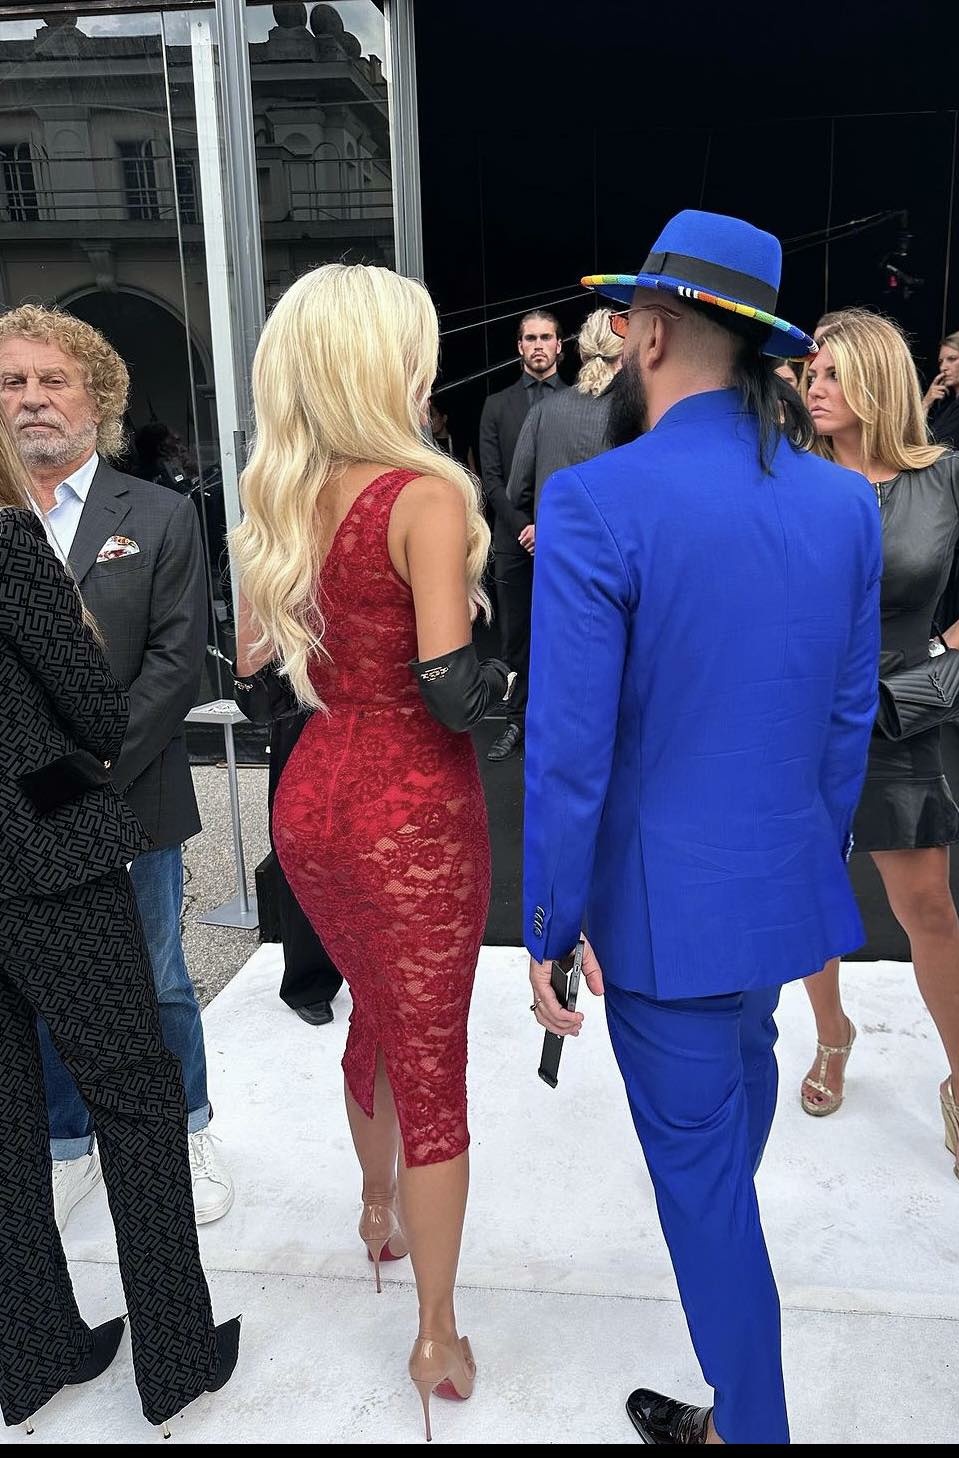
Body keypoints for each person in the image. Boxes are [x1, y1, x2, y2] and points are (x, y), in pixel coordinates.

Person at [524, 209, 882, 1445]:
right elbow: (844, 721)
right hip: (769, 893)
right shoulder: (841, 505)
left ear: (652, 333)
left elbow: (568, 751)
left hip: (661, 917)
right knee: (729, 1126)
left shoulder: (595, 499)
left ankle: (749, 1428)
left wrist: (548, 924)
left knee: (706, 1199)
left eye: (629, 325)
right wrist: (796, 860)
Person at [231, 262, 511, 1441]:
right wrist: (522, 695)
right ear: (381, 360)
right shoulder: (422, 494)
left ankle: (373, 1208)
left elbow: (254, 666)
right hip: (412, 811)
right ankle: (436, 1330)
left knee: (374, 1016)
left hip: (313, 800)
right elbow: (449, 689)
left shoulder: (278, 494)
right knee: (430, 1050)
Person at [0, 413, 239, 1436]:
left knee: (5, 1117)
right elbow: (98, 713)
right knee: (138, 1101)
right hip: (49, 855)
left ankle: (32, 1354)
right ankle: (175, 1361)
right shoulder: (11, 542)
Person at [797, 308, 959, 1196]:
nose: (813, 388)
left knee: (927, 905)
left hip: (899, 713)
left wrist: (945, 648)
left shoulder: (944, 478)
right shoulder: (789, 473)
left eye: (831, 374)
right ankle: (831, 1035)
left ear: (875, 381)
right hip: (799, 716)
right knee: (809, 888)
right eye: (809, 374)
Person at [232, 664, 344, 1026]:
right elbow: (262, 703)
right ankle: (309, 979)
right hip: (304, 706)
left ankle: (385, 969)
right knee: (302, 851)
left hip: (380, 711)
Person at [478, 309, 565, 761]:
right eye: (530, 338)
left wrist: (549, 527)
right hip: (514, 542)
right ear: (519, 347)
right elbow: (490, 480)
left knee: (563, 633)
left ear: (560, 345)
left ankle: (555, 724)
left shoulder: (578, 403)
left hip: (564, 541)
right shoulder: (497, 406)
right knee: (515, 636)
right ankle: (515, 721)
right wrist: (524, 528)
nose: (538, 345)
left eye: (546, 337)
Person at [506, 306, 621, 533]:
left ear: (582, 353)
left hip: (554, 543)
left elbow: (515, 492)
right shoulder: (637, 413)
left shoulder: (541, 410)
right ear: (624, 354)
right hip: (611, 545)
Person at [922, 330, 959, 452]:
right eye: (941, 361)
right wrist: (926, 403)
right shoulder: (947, 401)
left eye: (952, 359)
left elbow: (938, 447)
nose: (943, 367)